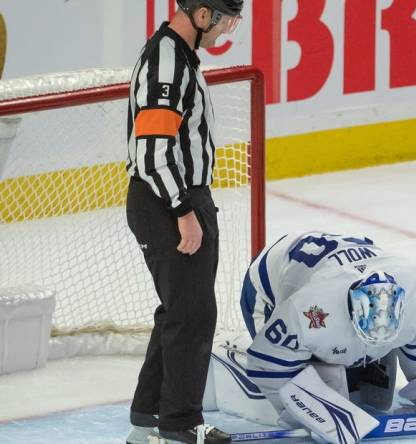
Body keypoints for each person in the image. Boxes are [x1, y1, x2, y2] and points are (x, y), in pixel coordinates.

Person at [124, 1, 243, 443]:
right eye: (226, 19)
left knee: (181, 310)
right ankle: (180, 424)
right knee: (193, 315)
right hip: (167, 202)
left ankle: (151, 409)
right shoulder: (167, 62)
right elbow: (153, 152)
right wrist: (184, 213)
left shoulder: (177, 54)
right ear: (201, 14)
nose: (227, 30)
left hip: (172, 199)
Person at [230, 231, 416, 441]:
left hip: (345, 268)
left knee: (372, 396)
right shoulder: (309, 308)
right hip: (268, 283)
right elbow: (267, 364)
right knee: (323, 386)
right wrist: (307, 411)